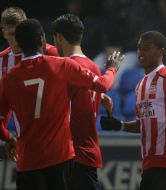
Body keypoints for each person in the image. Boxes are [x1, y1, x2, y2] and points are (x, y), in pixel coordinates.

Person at [0, 19, 123, 190]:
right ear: (42, 40)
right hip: (59, 159)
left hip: (27, 162)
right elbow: (103, 84)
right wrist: (112, 68)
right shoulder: (61, 66)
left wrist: (8, 138)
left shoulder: (9, 79)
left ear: (19, 46)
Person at [100, 31, 166, 190]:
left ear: (161, 51)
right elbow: (144, 124)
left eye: (147, 48)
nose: (141, 52)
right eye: (139, 48)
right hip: (149, 164)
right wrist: (119, 125)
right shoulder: (140, 85)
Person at [51, 14, 113, 190]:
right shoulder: (93, 66)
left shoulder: (63, 68)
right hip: (89, 152)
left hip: (70, 155)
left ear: (59, 37)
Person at [0, 7, 59, 157]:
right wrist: (7, 137)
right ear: (4, 33)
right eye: (10, 35)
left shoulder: (51, 53)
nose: (15, 39)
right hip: (27, 146)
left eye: (18, 34)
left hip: (57, 142)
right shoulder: (2, 61)